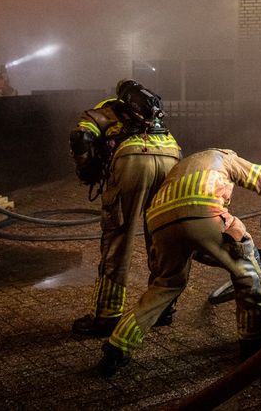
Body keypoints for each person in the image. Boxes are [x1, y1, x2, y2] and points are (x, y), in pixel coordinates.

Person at [97, 148, 261, 376]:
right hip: (203, 212)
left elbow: (193, 238)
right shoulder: (227, 159)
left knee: (165, 285)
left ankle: (117, 347)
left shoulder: (187, 165)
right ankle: (254, 348)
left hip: (159, 221)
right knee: (247, 273)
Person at [68, 79, 182, 336]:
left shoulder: (105, 109)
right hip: (171, 156)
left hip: (132, 159)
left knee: (118, 238)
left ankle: (106, 316)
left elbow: (81, 137)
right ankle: (161, 308)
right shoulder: (154, 116)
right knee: (163, 236)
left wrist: (86, 170)